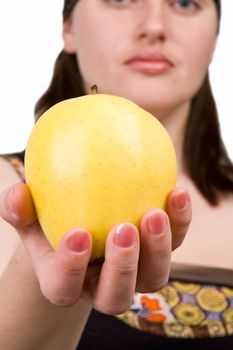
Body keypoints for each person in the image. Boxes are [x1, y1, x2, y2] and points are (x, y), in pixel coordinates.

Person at [0, 0, 232, 349]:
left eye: (185, 3)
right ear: (68, 28)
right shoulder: (8, 194)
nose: (154, 26)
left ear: (214, 37)